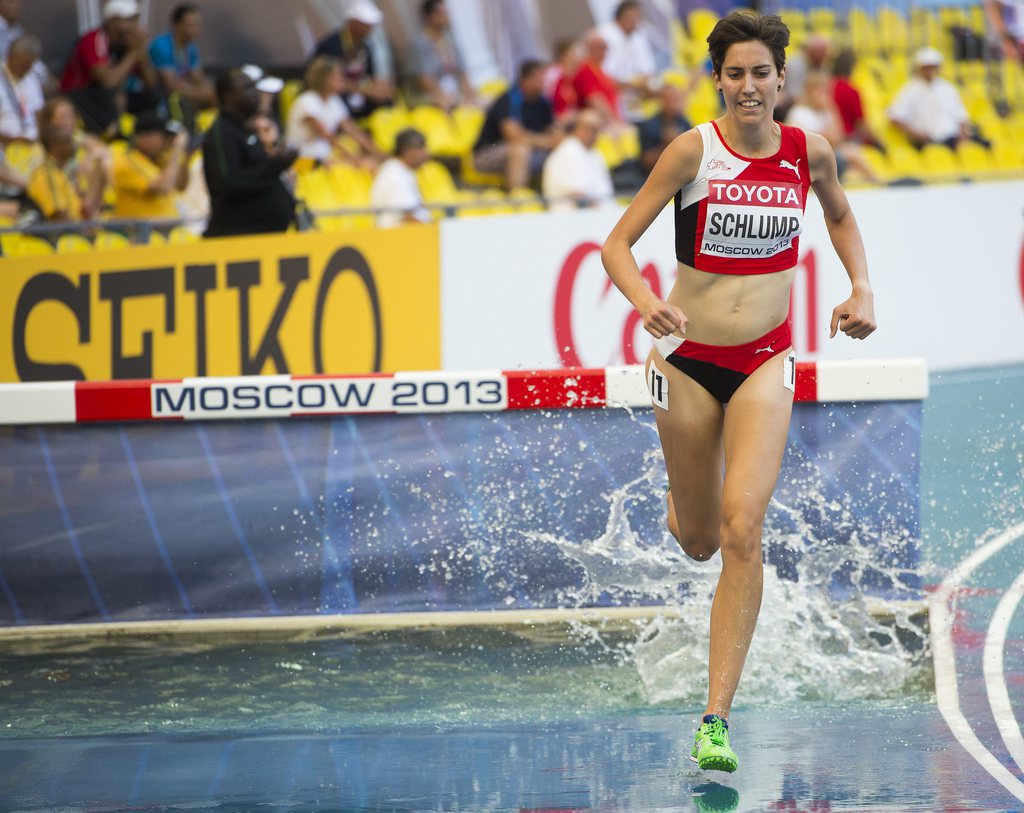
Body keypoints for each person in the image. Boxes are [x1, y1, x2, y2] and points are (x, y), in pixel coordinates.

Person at [601, 11, 875, 774]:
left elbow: (842, 213)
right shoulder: (693, 151)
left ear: (781, 80)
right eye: (735, 73)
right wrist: (642, 301)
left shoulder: (808, 153)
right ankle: (689, 497)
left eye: (761, 73)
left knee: (743, 529)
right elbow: (615, 244)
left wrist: (861, 286)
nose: (749, 86)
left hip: (764, 359)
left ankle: (715, 717)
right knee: (698, 539)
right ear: (717, 80)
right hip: (686, 362)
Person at [202, 68, 299, 238]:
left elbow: (260, 170)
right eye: (247, 88)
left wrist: (277, 154)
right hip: (239, 238)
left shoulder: (249, 130)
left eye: (254, 87)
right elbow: (229, 181)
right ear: (228, 96)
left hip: (268, 235)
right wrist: (276, 165)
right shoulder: (222, 131)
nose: (255, 94)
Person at [58, 0, 160, 137]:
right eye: (127, 20)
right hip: (77, 95)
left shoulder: (127, 43)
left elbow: (151, 83)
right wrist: (134, 52)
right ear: (111, 21)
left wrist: (141, 53)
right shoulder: (93, 39)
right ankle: (114, 137)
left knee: (155, 96)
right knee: (110, 95)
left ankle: (146, 133)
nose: (133, 25)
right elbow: (107, 82)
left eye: (135, 20)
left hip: (109, 96)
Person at [472, 59, 557, 191]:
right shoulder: (510, 98)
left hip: (530, 148)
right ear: (526, 80)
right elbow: (513, 135)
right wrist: (546, 142)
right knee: (519, 149)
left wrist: (559, 138)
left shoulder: (542, 101)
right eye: (539, 79)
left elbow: (552, 130)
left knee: (565, 146)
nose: (543, 83)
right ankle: (519, 201)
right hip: (486, 154)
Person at [285, 55, 383, 167]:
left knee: (370, 163)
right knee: (358, 166)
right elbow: (325, 135)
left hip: (323, 157)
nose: (342, 80)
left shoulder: (334, 101)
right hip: (302, 160)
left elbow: (353, 130)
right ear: (325, 79)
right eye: (338, 77)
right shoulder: (307, 101)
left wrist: (377, 153)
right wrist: (353, 158)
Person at [786, 72, 880, 183]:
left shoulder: (826, 112)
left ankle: (875, 181)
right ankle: (876, 181)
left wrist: (832, 108)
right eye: (819, 91)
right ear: (809, 92)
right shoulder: (799, 112)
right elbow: (799, 143)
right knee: (851, 155)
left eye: (825, 91)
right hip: (809, 158)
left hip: (829, 152)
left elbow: (838, 137)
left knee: (853, 153)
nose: (823, 95)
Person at [311, 0, 393, 120]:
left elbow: (370, 76)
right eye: (366, 24)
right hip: (335, 97)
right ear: (353, 23)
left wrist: (380, 88)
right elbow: (328, 82)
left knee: (387, 103)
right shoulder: (331, 46)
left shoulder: (365, 46)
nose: (370, 29)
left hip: (359, 97)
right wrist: (365, 91)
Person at [888, 47, 979, 149]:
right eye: (926, 67)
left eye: (932, 67)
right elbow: (895, 117)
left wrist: (963, 137)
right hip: (926, 142)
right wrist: (915, 134)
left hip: (951, 139)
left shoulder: (948, 88)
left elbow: (962, 118)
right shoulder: (909, 90)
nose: (930, 71)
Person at [112, 111, 189, 220]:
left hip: (164, 231)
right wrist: (177, 150)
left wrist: (184, 154)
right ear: (145, 138)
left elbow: (181, 185)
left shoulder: (159, 160)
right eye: (164, 136)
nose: (167, 141)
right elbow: (163, 187)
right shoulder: (126, 162)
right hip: (139, 233)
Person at [148, 3, 216, 123]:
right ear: (177, 25)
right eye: (191, 26)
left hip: (182, 95)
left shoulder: (191, 47)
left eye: (198, 25)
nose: (196, 30)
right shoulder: (162, 45)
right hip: (156, 99)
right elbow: (171, 86)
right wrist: (205, 94)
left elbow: (199, 79)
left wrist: (210, 93)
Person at [403, 0, 474, 110]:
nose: (447, 18)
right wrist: (453, 98)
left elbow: (463, 71)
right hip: (430, 96)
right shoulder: (419, 44)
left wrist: (469, 92)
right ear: (430, 17)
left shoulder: (449, 38)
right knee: (446, 104)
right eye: (442, 14)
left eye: (447, 13)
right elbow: (425, 82)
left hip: (454, 91)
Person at [542, 109, 614, 211]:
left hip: (596, 215)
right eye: (588, 129)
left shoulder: (595, 153)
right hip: (572, 217)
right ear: (577, 129)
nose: (592, 134)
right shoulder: (569, 150)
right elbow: (578, 196)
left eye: (596, 130)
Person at [598, 0, 658, 120]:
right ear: (620, 17)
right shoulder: (605, 35)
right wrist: (631, 84)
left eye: (637, 17)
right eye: (631, 17)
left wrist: (642, 83)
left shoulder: (639, 37)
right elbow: (603, 74)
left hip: (637, 95)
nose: (635, 21)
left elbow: (648, 70)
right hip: (612, 94)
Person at [370, 126, 431, 227]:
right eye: (421, 148)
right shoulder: (394, 174)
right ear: (407, 151)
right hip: (397, 238)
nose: (426, 153)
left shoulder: (403, 171)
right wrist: (433, 230)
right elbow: (407, 216)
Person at [27, 125, 85, 221]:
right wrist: (84, 233)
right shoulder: (46, 174)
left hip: (78, 228)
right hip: (66, 234)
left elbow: (85, 209)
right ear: (55, 146)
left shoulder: (63, 171)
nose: (73, 144)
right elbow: (59, 217)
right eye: (68, 140)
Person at [830, 48, 883, 151]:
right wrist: (879, 143)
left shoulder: (827, 85)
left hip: (829, 138)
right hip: (847, 139)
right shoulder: (852, 91)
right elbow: (860, 124)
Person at [638, 82, 692, 174]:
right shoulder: (649, 125)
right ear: (661, 101)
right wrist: (666, 145)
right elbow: (645, 162)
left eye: (675, 99)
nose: (673, 103)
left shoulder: (684, 122)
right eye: (670, 99)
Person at [0, 34, 44, 144]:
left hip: (33, 140)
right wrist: (14, 141)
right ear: (9, 57)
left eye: (29, 65)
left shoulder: (31, 77)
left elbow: (39, 112)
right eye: (22, 65)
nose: (25, 70)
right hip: (6, 143)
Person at [573, 28, 623, 124]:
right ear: (589, 48)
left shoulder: (601, 71)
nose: (605, 51)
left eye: (605, 47)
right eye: (601, 47)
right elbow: (594, 100)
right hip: (600, 123)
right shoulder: (585, 70)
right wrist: (614, 121)